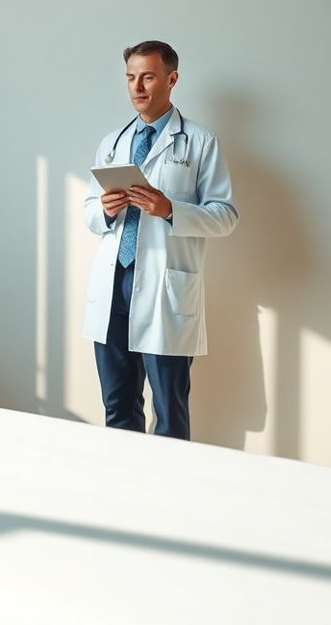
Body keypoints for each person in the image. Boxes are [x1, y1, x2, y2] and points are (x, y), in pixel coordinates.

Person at [82, 41, 238, 440]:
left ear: (172, 80)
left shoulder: (200, 141)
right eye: (131, 78)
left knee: (170, 413)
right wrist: (106, 209)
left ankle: (171, 497)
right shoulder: (112, 142)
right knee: (118, 409)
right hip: (114, 286)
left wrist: (171, 210)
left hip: (164, 293)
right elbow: (88, 213)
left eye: (148, 77)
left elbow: (225, 216)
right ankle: (124, 492)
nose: (138, 87)